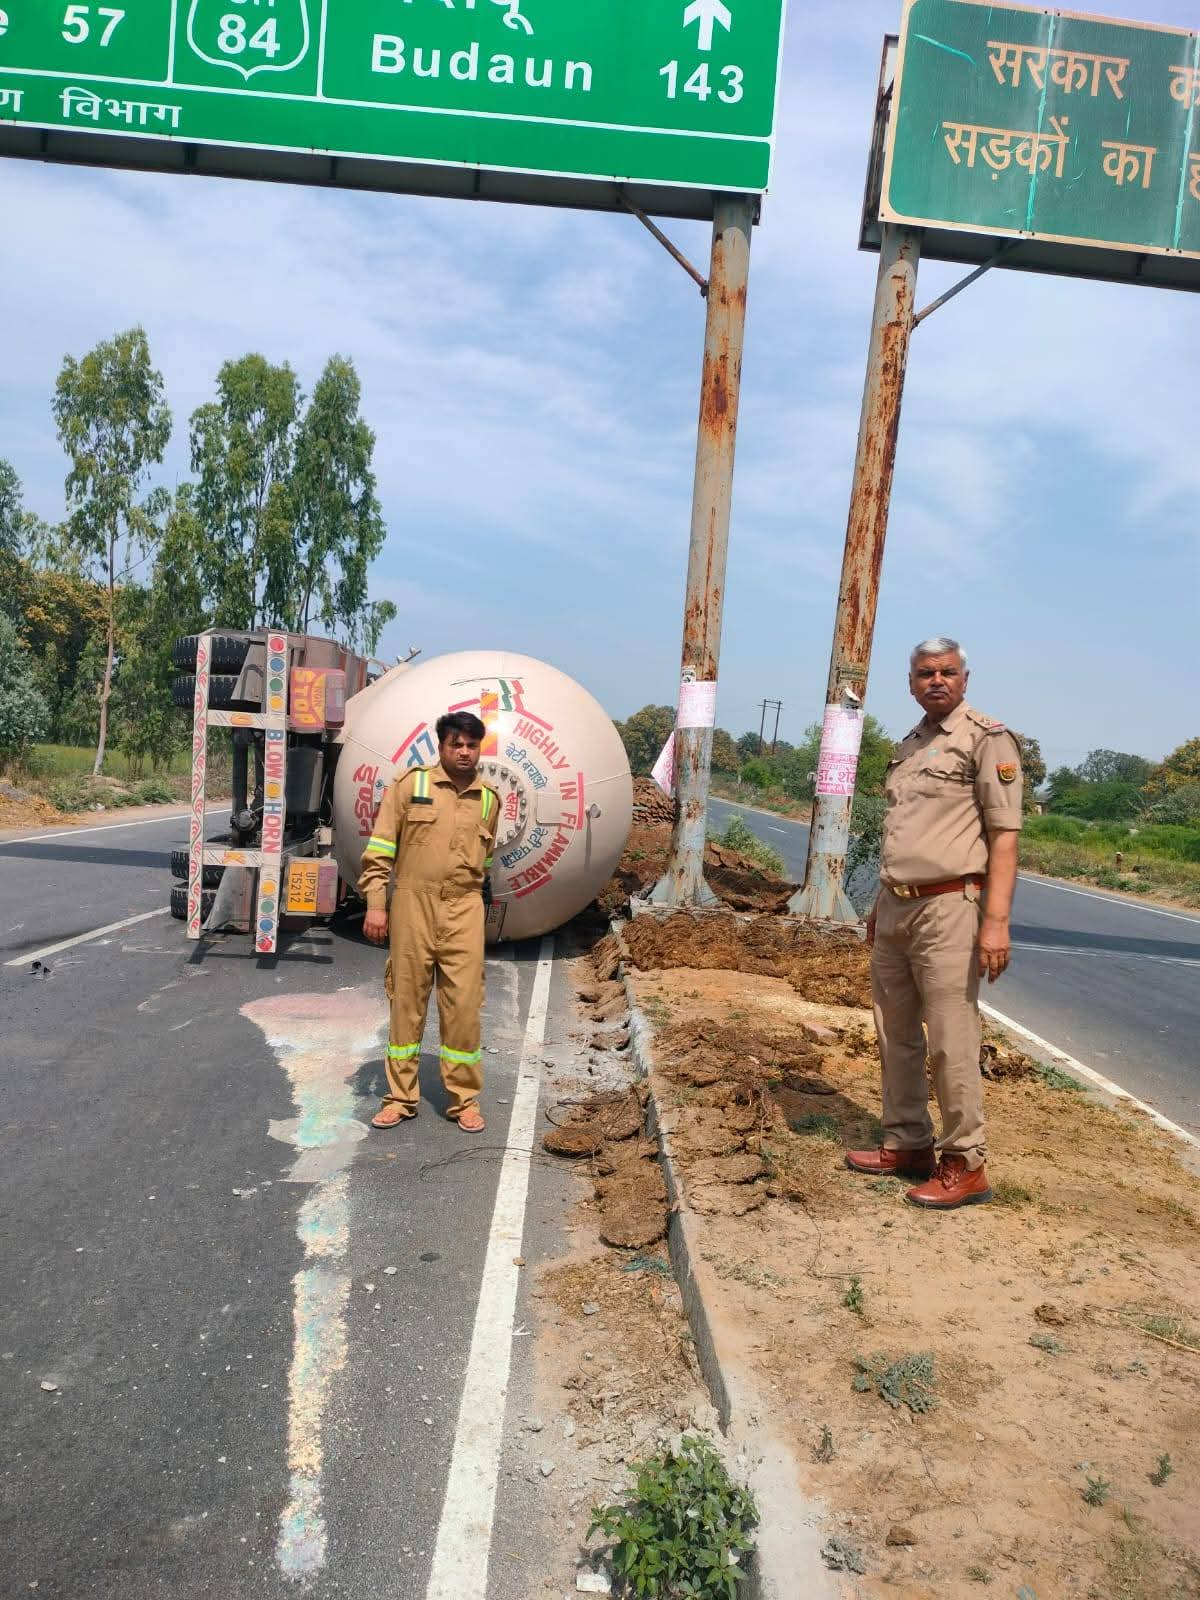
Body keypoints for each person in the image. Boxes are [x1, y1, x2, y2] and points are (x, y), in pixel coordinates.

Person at [846, 637, 1023, 1210]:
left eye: (948, 672)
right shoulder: (911, 745)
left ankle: (964, 1162)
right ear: (912, 682)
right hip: (896, 905)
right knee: (894, 1032)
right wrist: (880, 905)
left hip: (951, 907)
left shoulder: (986, 740)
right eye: (926, 673)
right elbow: (907, 837)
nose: (937, 681)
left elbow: (1004, 837)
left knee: (951, 1039)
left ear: (965, 680)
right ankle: (907, 1143)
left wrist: (994, 922)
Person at [359, 711, 500, 1134]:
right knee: (407, 1002)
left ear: (479, 749)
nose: (463, 751)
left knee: (464, 1008)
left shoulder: (489, 799)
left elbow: (486, 863)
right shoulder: (411, 785)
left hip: (465, 909)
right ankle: (400, 1098)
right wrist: (375, 905)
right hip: (413, 905)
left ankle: (464, 1101)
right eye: (455, 743)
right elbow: (380, 849)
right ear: (441, 746)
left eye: (471, 745)